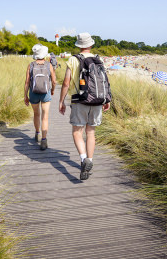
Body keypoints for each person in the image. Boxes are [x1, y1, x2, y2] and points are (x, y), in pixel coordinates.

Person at [59, 33, 111, 181]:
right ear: (91, 44)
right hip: (97, 100)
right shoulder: (99, 59)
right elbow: (104, 81)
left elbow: (66, 83)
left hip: (79, 100)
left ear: (79, 45)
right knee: (91, 133)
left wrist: (61, 101)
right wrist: (106, 99)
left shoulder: (74, 59)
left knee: (77, 132)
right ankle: (90, 160)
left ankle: (83, 159)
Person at [24, 44, 56, 150]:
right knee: (45, 116)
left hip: (33, 93)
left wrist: (25, 95)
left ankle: (37, 133)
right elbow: (54, 81)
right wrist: (52, 90)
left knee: (36, 114)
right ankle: (44, 140)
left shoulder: (31, 65)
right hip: (45, 92)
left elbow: (27, 82)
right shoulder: (49, 65)